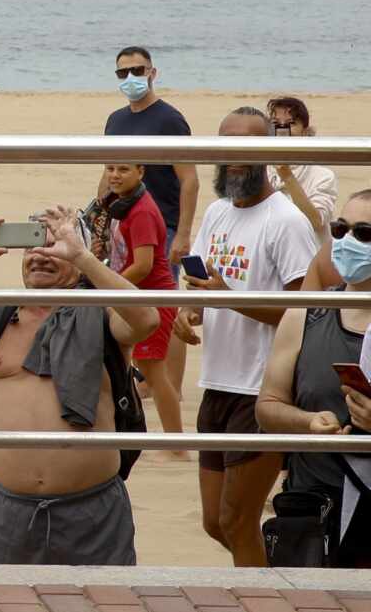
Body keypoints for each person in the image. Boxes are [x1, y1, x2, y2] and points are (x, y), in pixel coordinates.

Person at [0, 207, 160, 565]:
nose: (40, 254)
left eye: (53, 245)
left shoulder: (103, 315)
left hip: (92, 512)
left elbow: (147, 320)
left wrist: (84, 258)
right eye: (32, 245)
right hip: (8, 513)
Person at [173, 106, 319, 567]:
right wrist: (189, 309)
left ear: (267, 153)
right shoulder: (216, 213)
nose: (234, 157)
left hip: (261, 391)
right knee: (215, 522)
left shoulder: (286, 221)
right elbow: (203, 286)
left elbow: (307, 314)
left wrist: (228, 296)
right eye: (226, 146)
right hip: (217, 382)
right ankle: (276, 578)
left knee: (238, 520)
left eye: (247, 147)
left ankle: (263, 596)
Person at [256, 189, 371, 568]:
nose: (347, 242)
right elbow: (267, 407)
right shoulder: (305, 314)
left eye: (364, 234)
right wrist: (307, 421)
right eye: (340, 230)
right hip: (311, 509)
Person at [101, 45, 199, 397]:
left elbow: (189, 178)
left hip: (163, 224)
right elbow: (109, 171)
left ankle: (170, 386)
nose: (131, 79)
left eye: (137, 71)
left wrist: (183, 235)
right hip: (125, 225)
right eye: (122, 73)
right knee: (132, 302)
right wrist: (100, 214)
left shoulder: (169, 119)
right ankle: (146, 377)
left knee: (165, 309)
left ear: (152, 73)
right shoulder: (115, 120)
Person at [101, 163, 185, 456]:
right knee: (143, 371)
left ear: (140, 172)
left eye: (123, 169)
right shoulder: (122, 203)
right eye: (110, 168)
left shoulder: (142, 212)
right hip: (135, 296)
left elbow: (144, 264)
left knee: (155, 375)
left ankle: (176, 446)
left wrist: (107, 286)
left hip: (153, 298)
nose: (114, 175)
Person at [266, 96, 337, 242]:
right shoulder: (260, 170)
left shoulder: (323, 176)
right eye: (276, 124)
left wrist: (287, 176)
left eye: (290, 124)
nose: (282, 130)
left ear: (305, 132)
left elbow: (316, 222)